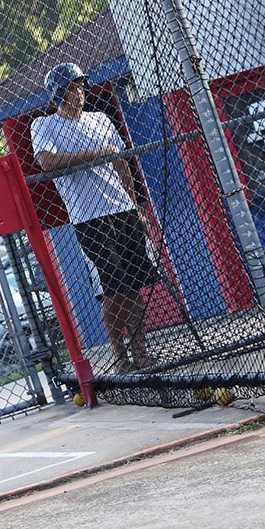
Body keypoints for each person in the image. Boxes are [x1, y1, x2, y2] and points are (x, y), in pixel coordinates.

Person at [30, 63, 162, 373]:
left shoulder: (100, 119)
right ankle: (120, 357)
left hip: (122, 209)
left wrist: (136, 206)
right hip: (90, 218)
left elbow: (120, 165)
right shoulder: (44, 125)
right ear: (59, 95)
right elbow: (47, 161)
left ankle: (140, 352)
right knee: (112, 289)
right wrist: (93, 155)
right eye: (72, 88)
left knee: (134, 284)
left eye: (81, 87)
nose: (80, 93)